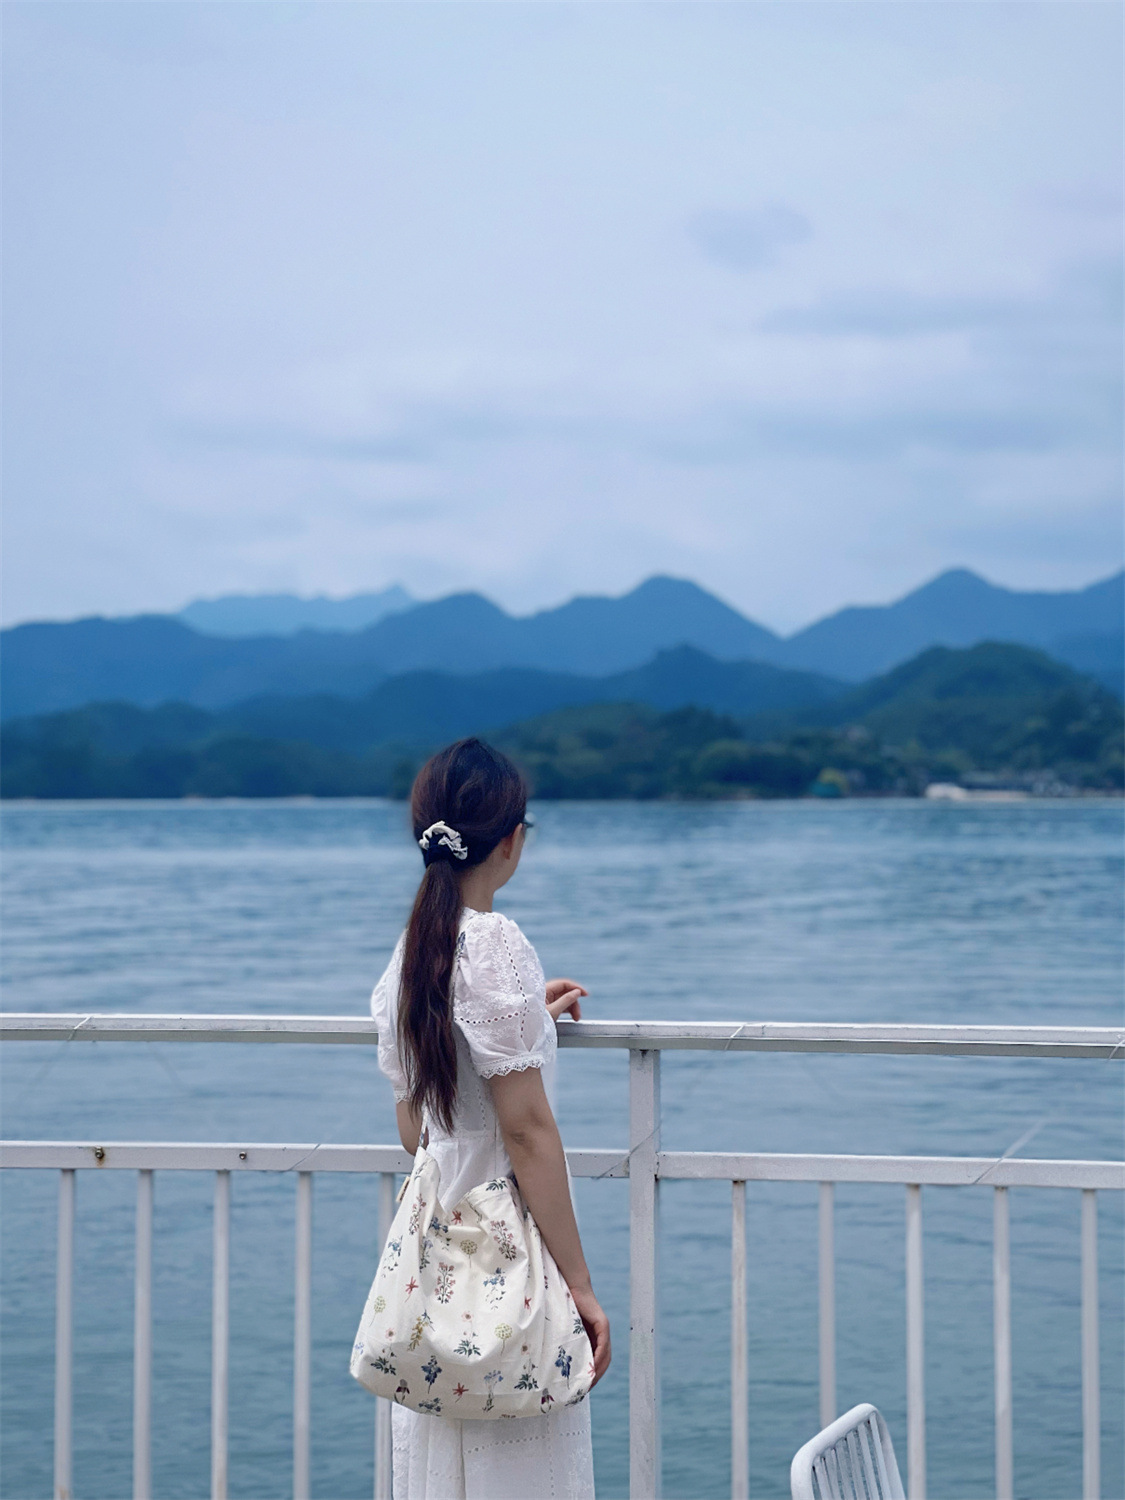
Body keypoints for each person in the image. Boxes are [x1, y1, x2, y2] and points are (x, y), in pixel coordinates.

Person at [369, 737, 610, 1500]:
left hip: (436, 1251)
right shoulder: (494, 943)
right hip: (506, 1248)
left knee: (446, 1455)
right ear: (510, 840)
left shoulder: (410, 955)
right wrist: (580, 1286)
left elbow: (416, 1131)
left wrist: (527, 1022)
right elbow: (527, 1131)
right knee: (521, 1453)